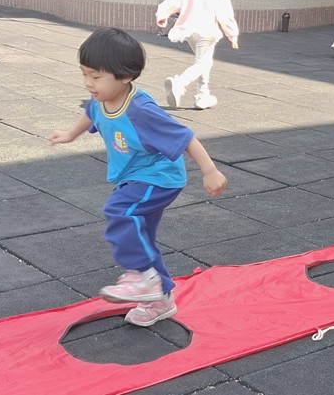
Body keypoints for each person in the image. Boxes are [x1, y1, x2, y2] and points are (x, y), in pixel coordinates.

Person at [49, 27, 228, 326]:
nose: (88, 83)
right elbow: (91, 112)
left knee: (119, 211)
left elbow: (185, 137)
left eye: (96, 76)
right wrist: (70, 134)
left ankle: (143, 277)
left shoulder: (141, 110)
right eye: (84, 74)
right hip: (135, 176)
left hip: (158, 178)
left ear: (125, 76)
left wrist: (210, 171)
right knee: (141, 235)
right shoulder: (101, 99)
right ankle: (161, 300)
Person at [156, 0, 240, 110]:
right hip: (206, 32)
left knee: (204, 61)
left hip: (188, 31)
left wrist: (162, 16)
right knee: (202, 63)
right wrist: (232, 35)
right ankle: (179, 83)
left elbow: (170, 3)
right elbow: (226, 16)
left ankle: (203, 94)